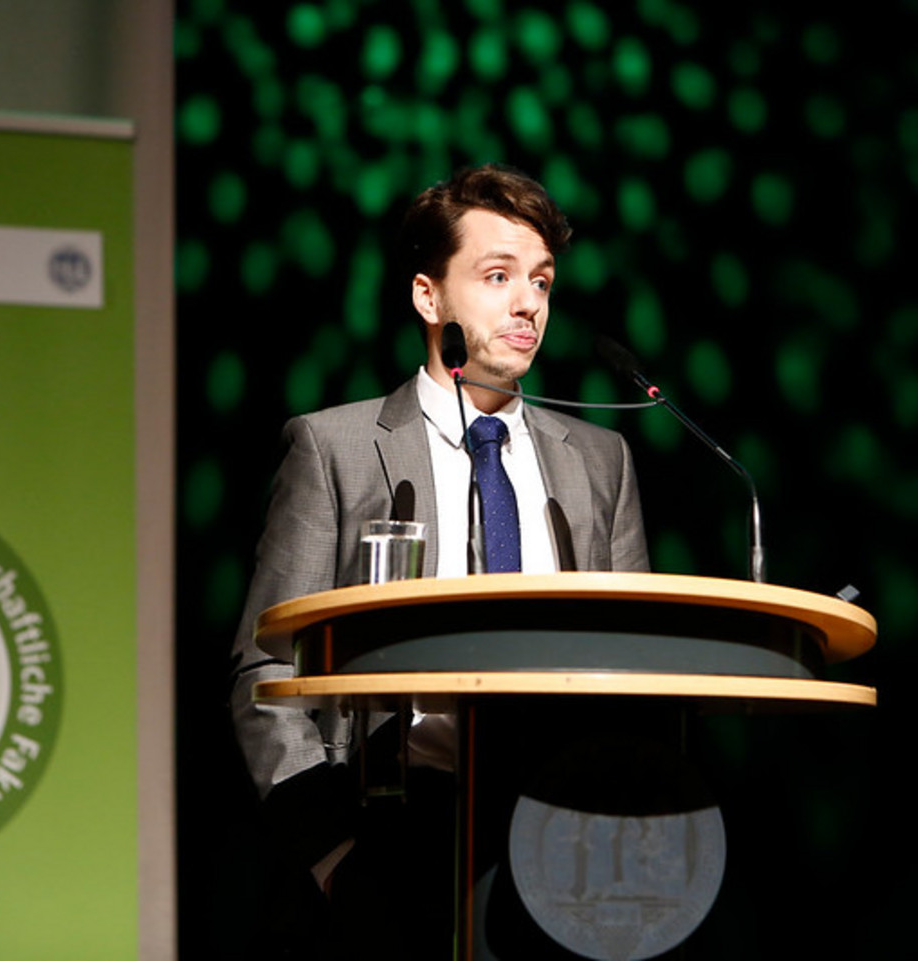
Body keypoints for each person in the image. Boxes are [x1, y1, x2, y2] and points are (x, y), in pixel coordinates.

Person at [228, 164, 649, 955]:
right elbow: (263, 673)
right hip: (391, 832)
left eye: (542, 281)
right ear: (430, 297)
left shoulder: (601, 462)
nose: (529, 303)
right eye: (498, 276)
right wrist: (332, 857)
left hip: (560, 846)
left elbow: (634, 671)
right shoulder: (336, 449)